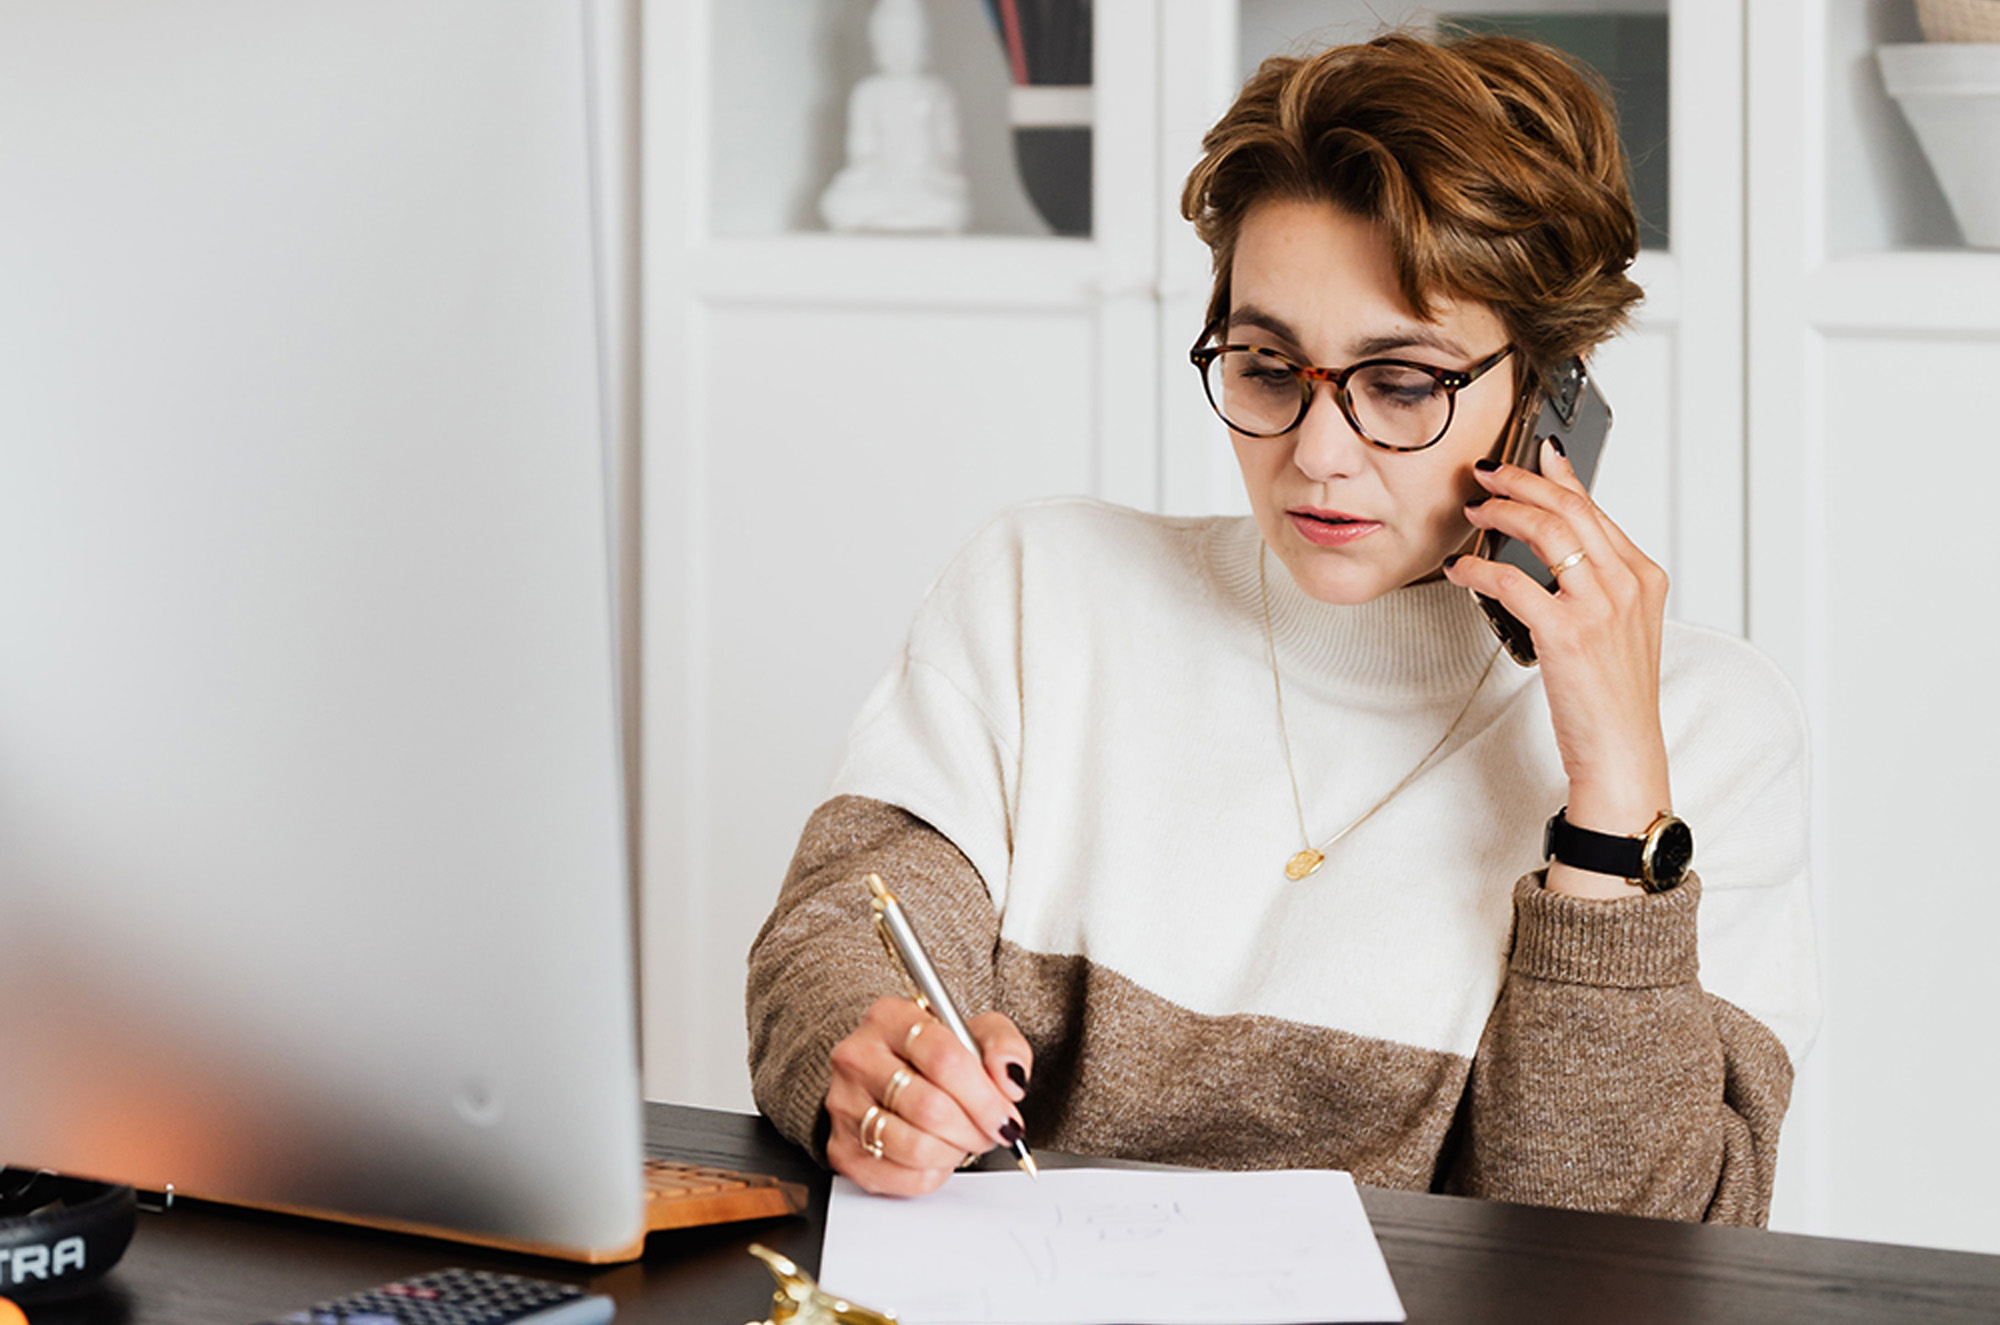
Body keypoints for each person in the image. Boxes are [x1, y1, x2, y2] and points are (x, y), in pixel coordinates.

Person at [747, 31, 1817, 1225]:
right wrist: (873, 1056)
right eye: (1265, 367)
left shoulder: (1709, 729)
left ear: (1552, 391)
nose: (1315, 455)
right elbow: (837, 945)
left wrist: (1614, 809)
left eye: (1401, 383)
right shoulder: (1041, 591)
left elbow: (1622, 1246)